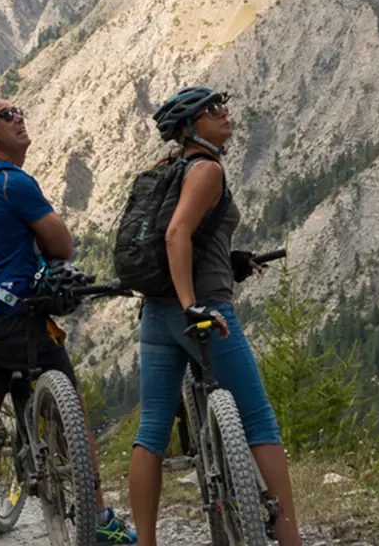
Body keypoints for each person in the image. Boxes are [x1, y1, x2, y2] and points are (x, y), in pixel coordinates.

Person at [0, 98, 136, 546]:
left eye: (17, 110)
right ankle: (99, 517)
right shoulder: (13, 182)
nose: (19, 117)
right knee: (69, 409)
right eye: (6, 116)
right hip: (20, 317)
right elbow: (62, 245)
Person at [127, 87, 302, 546]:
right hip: (203, 313)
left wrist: (234, 259)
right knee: (260, 421)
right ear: (189, 128)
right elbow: (175, 234)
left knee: (152, 432)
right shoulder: (207, 169)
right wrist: (192, 305)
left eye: (224, 106)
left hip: (156, 316)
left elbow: (197, 237)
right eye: (212, 111)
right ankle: (290, 540)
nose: (225, 115)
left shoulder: (164, 169)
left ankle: (144, 542)